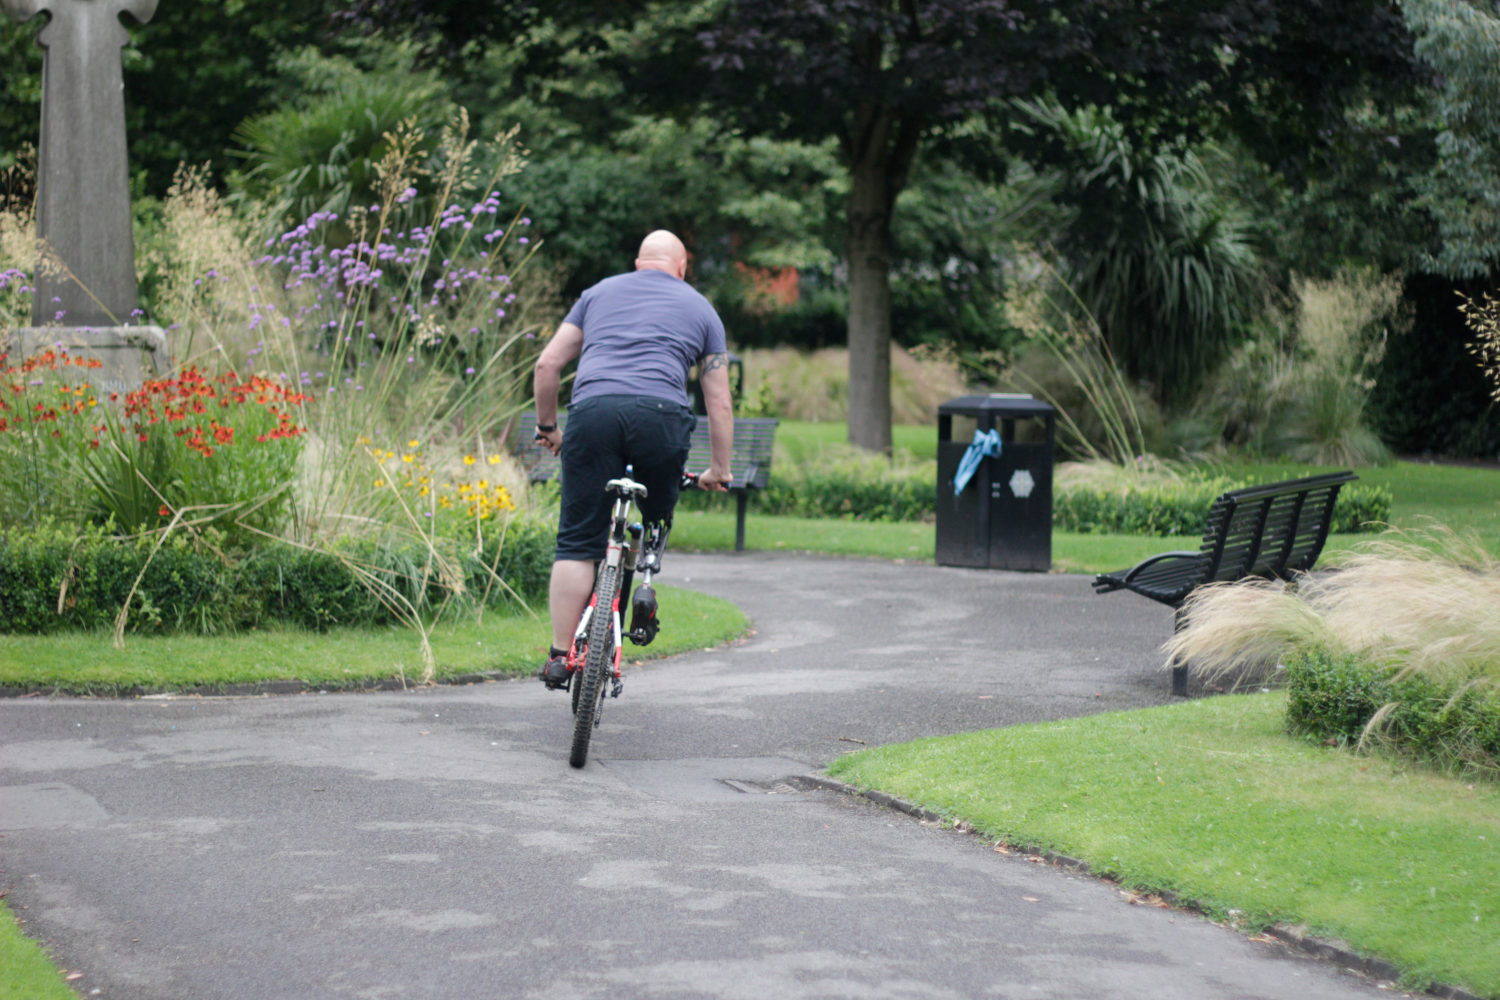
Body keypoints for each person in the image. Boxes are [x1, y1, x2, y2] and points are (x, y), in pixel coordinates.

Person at [531, 229, 734, 688]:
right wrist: (718, 470)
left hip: (594, 414)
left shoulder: (597, 294)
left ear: (639, 262)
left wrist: (549, 429)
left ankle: (561, 656)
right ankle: (643, 575)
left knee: (578, 542)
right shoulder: (701, 307)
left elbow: (547, 366)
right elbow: (718, 401)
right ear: (681, 268)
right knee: (656, 513)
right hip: (661, 419)